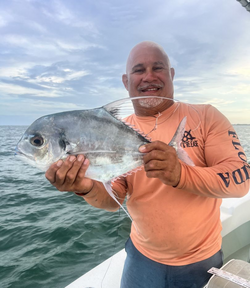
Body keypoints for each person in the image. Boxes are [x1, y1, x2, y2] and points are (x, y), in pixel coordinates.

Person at [45, 41, 250, 288]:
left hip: (200, 261)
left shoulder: (206, 116)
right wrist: (86, 186)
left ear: (171, 74)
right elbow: (114, 200)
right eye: (139, 70)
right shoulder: (114, 133)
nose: (149, 77)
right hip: (141, 258)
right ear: (126, 80)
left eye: (158, 67)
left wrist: (180, 174)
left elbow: (241, 181)